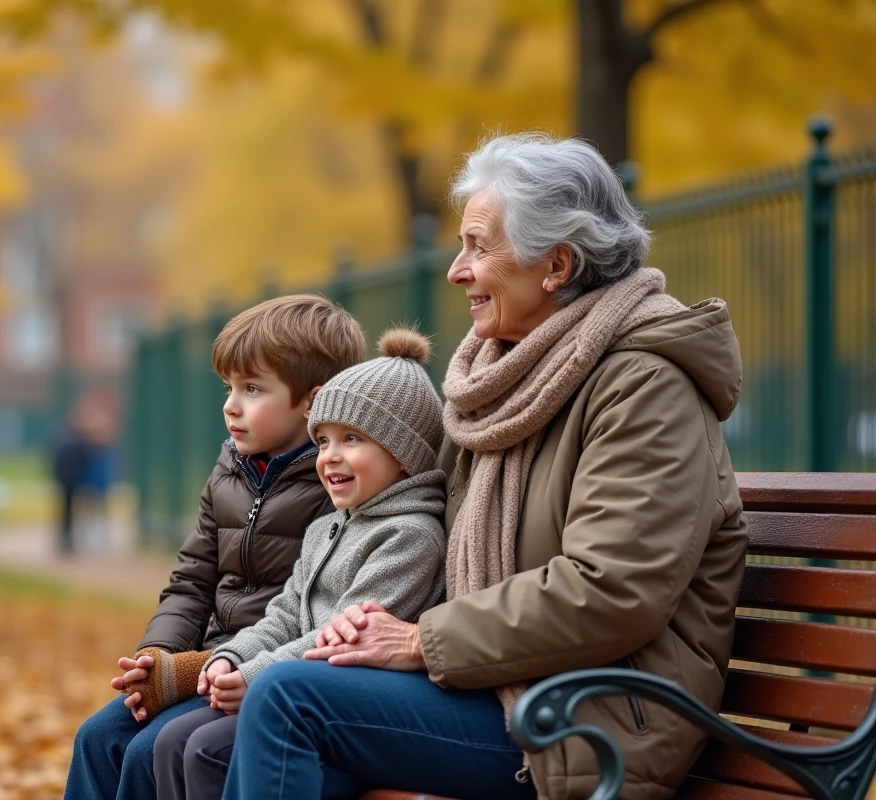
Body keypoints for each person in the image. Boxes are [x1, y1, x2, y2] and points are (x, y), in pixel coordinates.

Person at [221, 132, 750, 800]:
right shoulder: (503, 377)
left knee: (291, 699)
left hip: (592, 715)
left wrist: (421, 641)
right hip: (501, 683)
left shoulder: (643, 386)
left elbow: (613, 590)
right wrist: (362, 619)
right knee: (183, 737)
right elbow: (417, 512)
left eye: (478, 245)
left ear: (555, 265)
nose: (456, 269)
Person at [63, 294, 366, 800]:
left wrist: (189, 672)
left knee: (146, 751)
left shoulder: (335, 485)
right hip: (199, 661)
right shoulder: (230, 470)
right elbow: (192, 579)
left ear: (312, 402)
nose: (230, 405)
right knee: (97, 737)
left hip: (249, 671)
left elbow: (307, 613)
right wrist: (157, 655)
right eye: (228, 387)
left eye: (252, 388)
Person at [153, 328, 449, 800]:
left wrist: (255, 675)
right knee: (171, 741)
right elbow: (285, 615)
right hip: (294, 685)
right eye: (324, 440)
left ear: (404, 454)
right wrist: (233, 656)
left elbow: (342, 639)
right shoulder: (327, 527)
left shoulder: (410, 537)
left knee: (208, 748)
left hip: (347, 713)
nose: (330, 456)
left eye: (351, 439)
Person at [52, 407, 90, 556]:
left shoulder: (62, 440)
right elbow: (85, 461)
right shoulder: (78, 441)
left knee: (65, 511)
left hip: (66, 481)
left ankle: (66, 538)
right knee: (70, 511)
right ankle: (67, 539)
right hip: (72, 481)